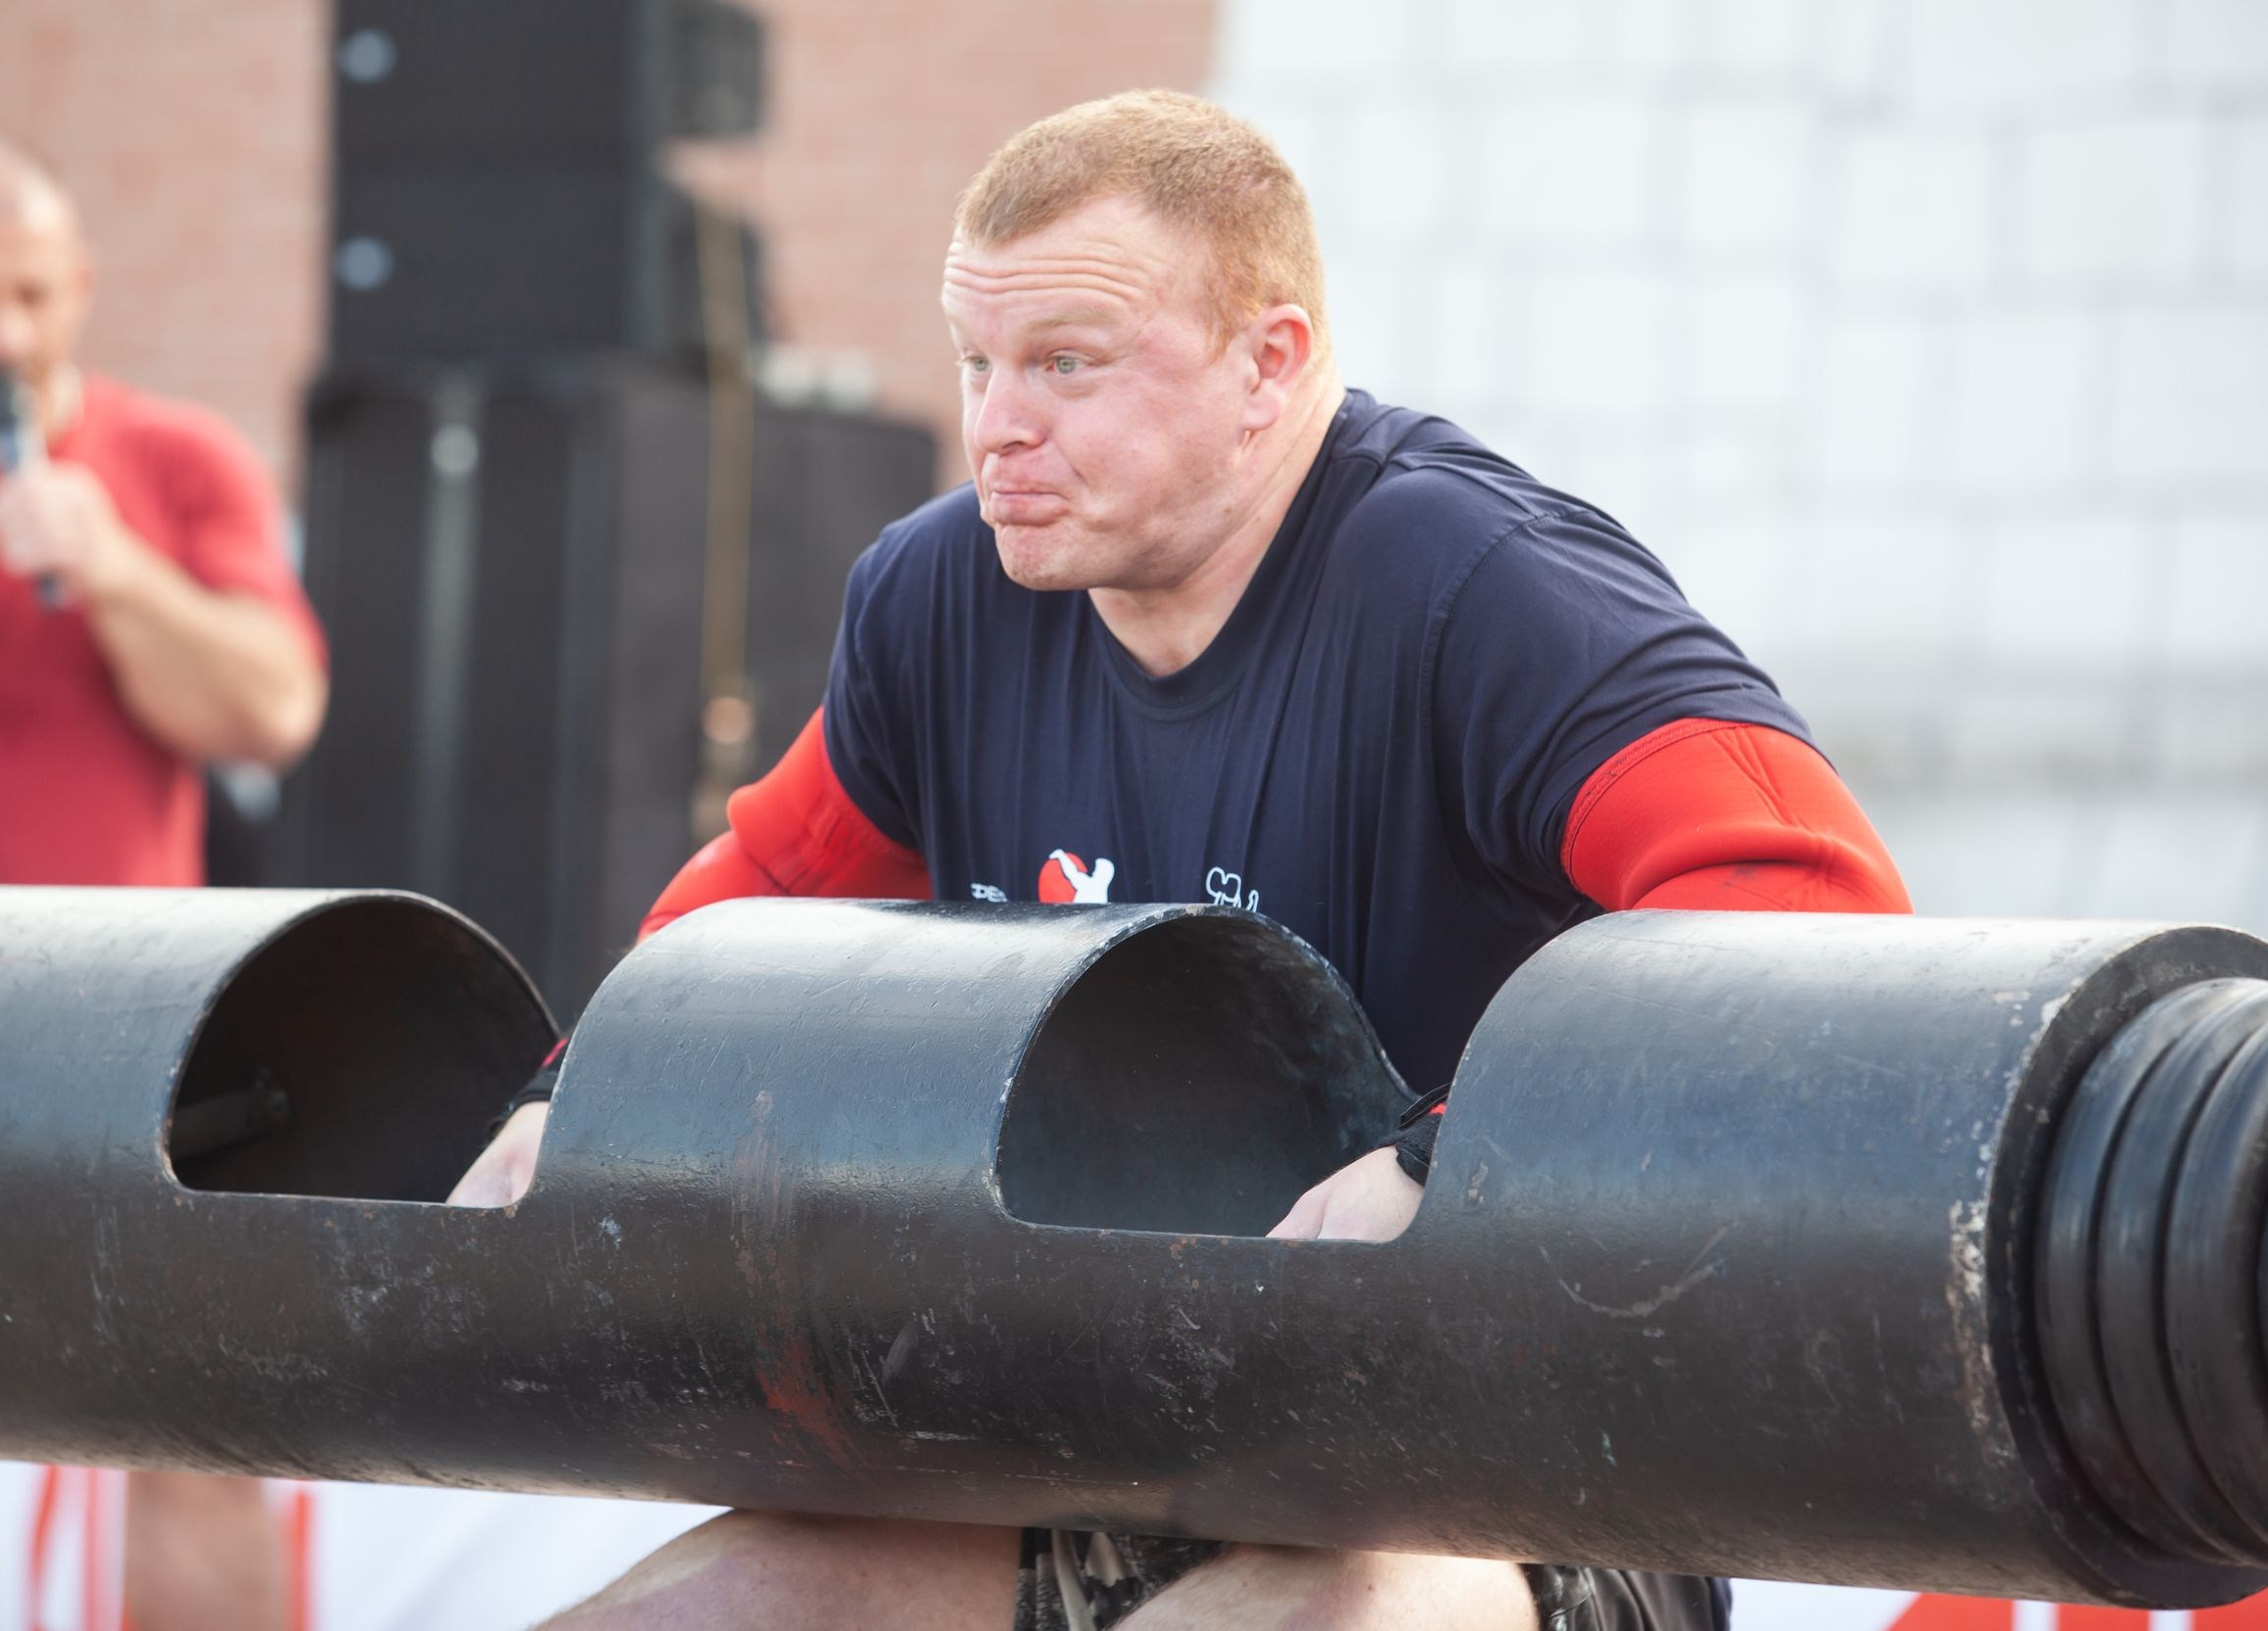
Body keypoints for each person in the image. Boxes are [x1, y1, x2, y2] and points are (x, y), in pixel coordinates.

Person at [455, 91, 1910, 1631]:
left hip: (1516, 1465)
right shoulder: (940, 595)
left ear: (1267, 365)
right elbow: (745, 912)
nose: (998, 424)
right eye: (977, 362)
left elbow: (1815, 918)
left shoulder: (1474, 583)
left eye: (1068, 365)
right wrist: (576, 1095)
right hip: (1103, 1445)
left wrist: (1451, 1162)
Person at [0, 134, 327, 1631]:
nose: (6, 335)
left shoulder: (171, 465)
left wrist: (113, 571)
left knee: (192, 1440)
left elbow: (274, 711)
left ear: (83, 288)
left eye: (35, 295)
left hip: (130, 1036)